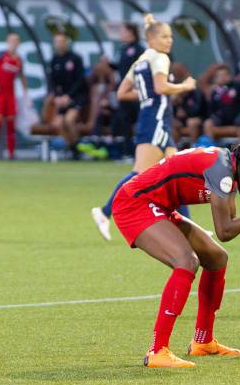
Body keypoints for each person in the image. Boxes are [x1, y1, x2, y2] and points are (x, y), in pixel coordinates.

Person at [111, 144, 240, 367]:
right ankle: (157, 350)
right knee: (186, 261)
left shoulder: (228, 167)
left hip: (158, 206)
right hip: (135, 204)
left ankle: (203, 341)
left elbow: (231, 218)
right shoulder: (222, 170)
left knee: (217, 258)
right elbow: (225, 231)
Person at [91, 14, 196, 241]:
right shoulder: (159, 57)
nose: (169, 41)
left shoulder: (140, 60)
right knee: (140, 173)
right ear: (151, 38)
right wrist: (184, 86)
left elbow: (122, 92)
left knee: (176, 174)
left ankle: (188, 227)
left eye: (170, 37)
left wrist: (147, 94)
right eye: (165, 36)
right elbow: (160, 87)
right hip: (156, 120)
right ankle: (104, 211)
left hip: (152, 118)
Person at [0, 33, 27, 160]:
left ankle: (11, 153)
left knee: (11, 123)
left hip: (10, 94)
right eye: (12, 40)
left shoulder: (19, 59)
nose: (14, 43)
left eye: (17, 40)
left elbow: (21, 75)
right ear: (7, 41)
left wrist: (26, 92)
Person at [48, 31, 88, 159]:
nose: (59, 44)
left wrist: (69, 96)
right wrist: (57, 96)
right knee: (58, 124)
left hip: (76, 97)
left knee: (69, 120)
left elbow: (80, 81)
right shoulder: (54, 59)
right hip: (62, 99)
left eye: (62, 41)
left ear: (66, 42)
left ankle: (76, 149)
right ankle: (73, 147)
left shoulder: (75, 58)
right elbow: (52, 81)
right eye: (57, 42)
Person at [111, 22, 145, 160]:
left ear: (131, 32)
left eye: (123, 31)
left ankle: (142, 153)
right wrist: (108, 64)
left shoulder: (139, 49)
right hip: (124, 91)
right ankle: (127, 152)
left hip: (136, 91)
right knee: (125, 121)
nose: (121, 34)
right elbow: (120, 68)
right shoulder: (123, 50)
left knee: (140, 121)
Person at [203, 64, 240, 139]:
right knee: (208, 123)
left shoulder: (238, 86)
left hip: (237, 117)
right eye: (219, 76)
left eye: (225, 75)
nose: (222, 77)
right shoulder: (216, 91)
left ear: (230, 75)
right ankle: (210, 147)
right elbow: (211, 110)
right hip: (222, 118)